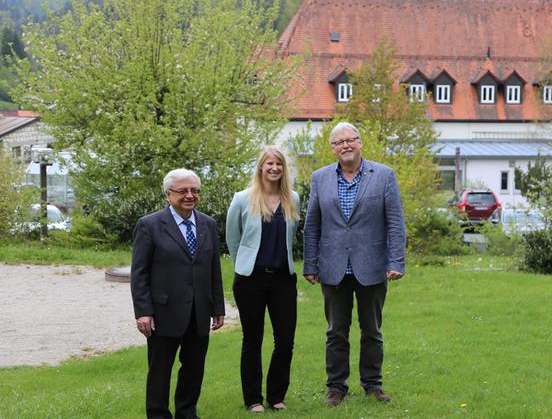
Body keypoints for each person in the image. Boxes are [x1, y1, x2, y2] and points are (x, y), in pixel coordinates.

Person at [303, 122, 406, 406]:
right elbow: (312, 225)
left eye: (351, 140)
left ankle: (373, 384)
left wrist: (396, 260)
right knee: (336, 332)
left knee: (371, 330)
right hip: (333, 267)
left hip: (372, 266)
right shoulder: (320, 178)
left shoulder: (384, 175)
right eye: (339, 142)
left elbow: (395, 222)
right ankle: (336, 387)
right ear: (332, 148)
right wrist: (310, 264)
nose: (345, 145)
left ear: (360, 143)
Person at [131, 169, 225, 419]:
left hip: (199, 311)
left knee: (194, 369)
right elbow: (139, 273)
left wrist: (217, 307)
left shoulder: (207, 223)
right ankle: (158, 414)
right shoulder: (149, 225)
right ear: (168, 194)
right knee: (160, 370)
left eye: (194, 190)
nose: (189, 195)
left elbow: (213, 268)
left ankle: (187, 412)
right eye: (182, 191)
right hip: (163, 312)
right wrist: (143, 312)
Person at [226, 146, 300, 413]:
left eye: (278, 164)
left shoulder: (293, 198)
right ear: (261, 167)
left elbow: (291, 239)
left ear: (283, 169)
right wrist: (244, 265)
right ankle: (253, 399)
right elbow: (232, 238)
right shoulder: (243, 199)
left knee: (285, 341)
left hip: (283, 280)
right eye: (269, 164)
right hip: (250, 281)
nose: (274, 168)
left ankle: (276, 396)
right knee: (252, 340)